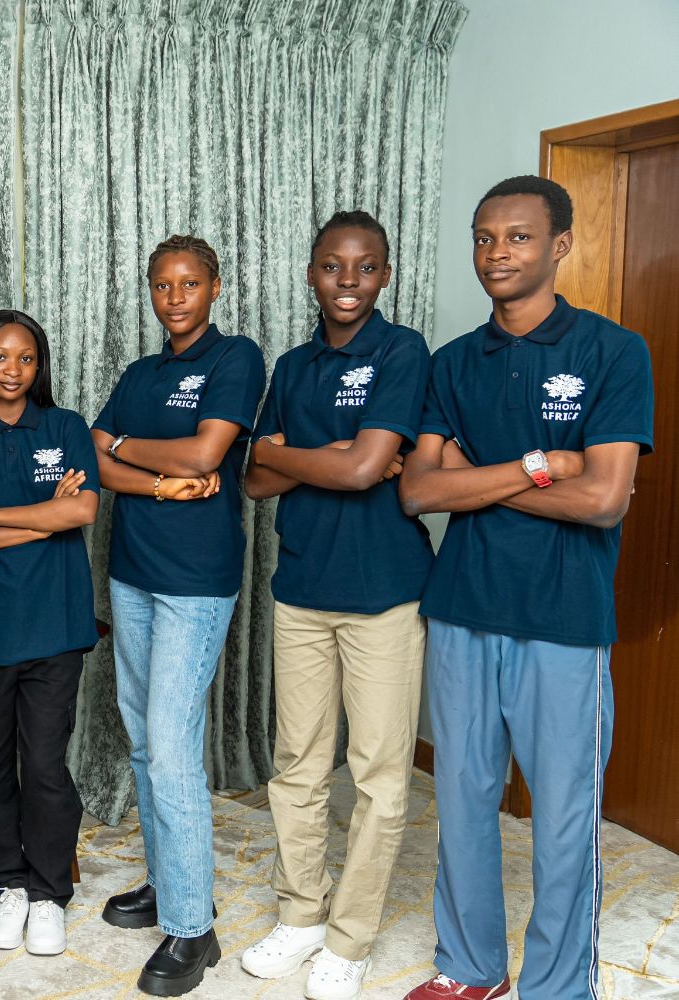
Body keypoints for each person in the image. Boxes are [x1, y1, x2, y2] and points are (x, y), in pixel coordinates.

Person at [397, 177, 652, 1000]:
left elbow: (605, 498)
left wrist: (478, 474)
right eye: (483, 238)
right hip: (463, 606)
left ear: (560, 246)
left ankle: (555, 988)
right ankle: (471, 967)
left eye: (516, 237)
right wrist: (544, 466)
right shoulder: (453, 362)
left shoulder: (613, 352)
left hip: (563, 619)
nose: (496, 254)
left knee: (563, 820)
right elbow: (417, 492)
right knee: (464, 802)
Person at [240, 212, 433, 1000]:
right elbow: (255, 476)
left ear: (384, 274)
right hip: (303, 590)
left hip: (386, 594)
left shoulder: (403, 351)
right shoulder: (291, 364)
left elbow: (367, 471)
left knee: (382, 775)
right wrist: (346, 457)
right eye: (332, 265)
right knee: (297, 766)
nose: (347, 280)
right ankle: (302, 914)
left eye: (364, 266)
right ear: (311, 272)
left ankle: (349, 939)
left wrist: (307, 458)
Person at [91, 234, 265, 997]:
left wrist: (137, 454)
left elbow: (208, 455)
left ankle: (195, 930)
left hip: (196, 583)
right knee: (141, 742)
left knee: (171, 747)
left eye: (189, 284)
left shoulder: (236, 359)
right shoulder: (140, 372)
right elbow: (94, 455)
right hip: (132, 574)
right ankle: (167, 886)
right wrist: (155, 477)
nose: (175, 297)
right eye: (162, 286)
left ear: (214, 287)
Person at [0, 310, 99, 957]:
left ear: (41, 365)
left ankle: (48, 891)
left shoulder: (65, 427)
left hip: (55, 626)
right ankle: (9, 880)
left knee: (46, 766)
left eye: (25, 358)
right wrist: (43, 517)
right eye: (0, 357)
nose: (13, 370)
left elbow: (82, 508)